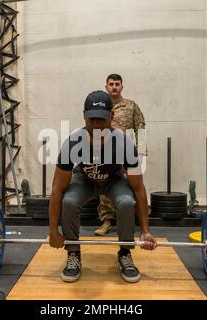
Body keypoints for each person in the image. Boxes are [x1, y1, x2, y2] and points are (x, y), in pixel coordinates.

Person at [48, 90, 156, 284]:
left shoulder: (124, 144)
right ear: (84, 116)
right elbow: (57, 189)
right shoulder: (72, 144)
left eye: (102, 119)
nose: (97, 125)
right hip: (85, 180)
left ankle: (125, 253)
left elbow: (139, 189)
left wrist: (145, 230)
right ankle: (73, 253)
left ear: (112, 116)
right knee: (69, 200)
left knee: (126, 201)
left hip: (114, 180)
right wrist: (54, 231)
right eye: (92, 120)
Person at [95, 74, 146, 236]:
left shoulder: (131, 106)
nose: (114, 87)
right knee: (105, 188)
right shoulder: (101, 107)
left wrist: (141, 152)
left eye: (117, 84)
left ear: (122, 87)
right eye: (111, 84)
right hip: (106, 154)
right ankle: (106, 222)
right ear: (106, 87)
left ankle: (135, 223)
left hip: (127, 155)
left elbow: (141, 127)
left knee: (132, 188)